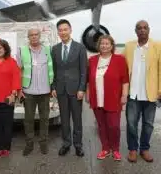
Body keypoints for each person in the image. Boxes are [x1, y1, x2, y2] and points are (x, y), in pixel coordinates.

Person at [123, 20, 161, 163]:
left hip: (150, 94)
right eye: (139, 28)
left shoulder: (157, 46)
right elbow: (119, 64)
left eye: (145, 28)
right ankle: (133, 149)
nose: (142, 30)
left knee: (148, 124)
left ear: (149, 30)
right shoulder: (128, 46)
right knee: (131, 123)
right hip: (133, 93)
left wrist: (160, 89)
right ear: (135, 31)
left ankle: (144, 149)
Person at [87, 35, 129, 161]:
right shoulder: (92, 60)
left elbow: (125, 80)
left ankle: (115, 149)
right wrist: (88, 94)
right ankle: (105, 148)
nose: (104, 46)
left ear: (112, 46)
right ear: (98, 46)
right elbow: (88, 80)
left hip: (114, 98)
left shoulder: (119, 60)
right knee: (101, 125)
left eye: (107, 43)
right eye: (102, 43)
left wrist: (124, 95)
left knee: (114, 126)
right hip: (97, 98)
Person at [51, 19, 87, 157]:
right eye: (60, 30)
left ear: (70, 30)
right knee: (64, 120)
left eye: (65, 29)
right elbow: (53, 70)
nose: (63, 32)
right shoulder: (55, 49)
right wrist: (53, 86)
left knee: (77, 119)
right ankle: (66, 144)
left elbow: (84, 70)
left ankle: (78, 145)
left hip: (75, 90)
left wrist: (82, 88)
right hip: (60, 90)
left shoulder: (80, 48)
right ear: (58, 32)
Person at [17, 28, 53, 156]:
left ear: (40, 35)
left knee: (44, 119)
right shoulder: (22, 50)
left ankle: (43, 143)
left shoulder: (48, 50)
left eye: (36, 34)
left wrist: (52, 87)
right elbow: (19, 70)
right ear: (28, 37)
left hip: (45, 91)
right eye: (31, 35)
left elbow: (52, 68)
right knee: (28, 120)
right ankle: (29, 144)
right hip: (29, 92)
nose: (34, 37)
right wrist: (19, 90)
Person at [0, 39, 21, 157]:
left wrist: (13, 94)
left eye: (0, 48)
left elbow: (16, 78)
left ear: (5, 49)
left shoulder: (12, 61)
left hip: (8, 98)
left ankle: (6, 147)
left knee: (7, 124)